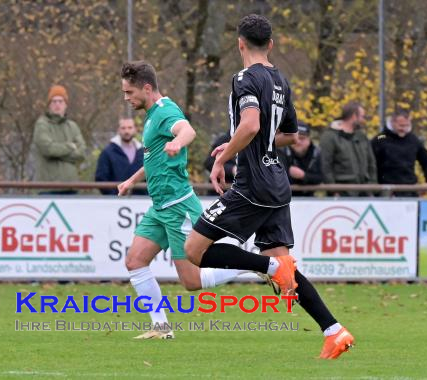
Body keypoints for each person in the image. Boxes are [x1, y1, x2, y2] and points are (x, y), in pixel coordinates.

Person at [183, 14, 354, 359]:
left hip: (253, 185)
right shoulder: (280, 80)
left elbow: (248, 125)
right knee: (283, 264)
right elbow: (291, 135)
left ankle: (272, 269)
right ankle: (334, 331)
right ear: (271, 44)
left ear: (240, 43)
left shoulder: (245, 78)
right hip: (277, 181)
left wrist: (223, 157)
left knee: (194, 250)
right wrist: (251, 141)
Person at [117, 61, 248, 339]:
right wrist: (132, 180)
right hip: (160, 207)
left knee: (191, 281)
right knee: (134, 261)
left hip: (177, 207)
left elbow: (187, 130)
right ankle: (161, 328)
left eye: (129, 92)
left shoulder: (165, 112)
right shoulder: (152, 115)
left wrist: (179, 142)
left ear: (147, 88)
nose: (126, 98)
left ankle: (251, 263)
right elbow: (153, 157)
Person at [32, 85, 86, 194]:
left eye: (60, 101)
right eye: (54, 101)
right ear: (49, 105)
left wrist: (58, 152)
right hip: (48, 189)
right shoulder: (42, 125)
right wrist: (70, 146)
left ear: (66, 104)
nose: (57, 104)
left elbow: (81, 153)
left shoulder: (73, 126)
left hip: (71, 188)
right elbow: (48, 150)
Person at [371, 108, 427, 196]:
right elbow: (370, 164)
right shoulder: (380, 138)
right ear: (393, 122)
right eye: (401, 125)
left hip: (410, 191)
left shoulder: (413, 140)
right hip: (386, 192)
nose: (404, 129)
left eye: (407, 125)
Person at [319, 102, 377, 196]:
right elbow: (325, 165)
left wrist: (372, 186)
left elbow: (371, 163)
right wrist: (333, 190)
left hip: (364, 192)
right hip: (342, 192)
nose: (364, 120)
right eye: (362, 116)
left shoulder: (361, 136)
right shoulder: (329, 137)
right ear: (354, 116)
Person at [95, 117, 145, 195]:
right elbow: (101, 178)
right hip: (115, 201)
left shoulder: (143, 152)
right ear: (118, 130)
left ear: (135, 129)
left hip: (140, 200)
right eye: (123, 128)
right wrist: (113, 196)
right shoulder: (108, 152)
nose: (126, 131)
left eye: (130, 128)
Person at [278, 122, 323, 196]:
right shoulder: (282, 151)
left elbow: (321, 177)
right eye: (295, 138)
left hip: (310, 198)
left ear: (309, 139)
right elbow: (278, 179)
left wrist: (303, 176)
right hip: (285, 196)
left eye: (302, 138)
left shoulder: (316, 152)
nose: (298, 142)